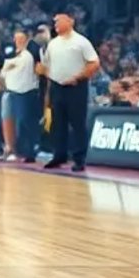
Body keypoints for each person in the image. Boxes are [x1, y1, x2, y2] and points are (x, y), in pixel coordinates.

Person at [41, 12, 99, 171]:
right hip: (57, 86)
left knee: (77, 123)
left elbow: (94, 63)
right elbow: (46, 65)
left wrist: (78, 76)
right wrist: (49, 77)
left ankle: (79, 158)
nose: (55, 24)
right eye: (54, 22)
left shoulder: (81, 41)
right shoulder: (53, 44)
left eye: (59, 20)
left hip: (76, 87)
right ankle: (59, 155)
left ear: (70, 21)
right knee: (58, 124)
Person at [0, 30, 39, 162]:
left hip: (25, 93)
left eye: (21, 39)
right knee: (7, 120)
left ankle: (28, 151)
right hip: (10, 92)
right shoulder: (11, 54)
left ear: (27, 40)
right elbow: (2, 73)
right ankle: (10, 148)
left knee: (24, 122)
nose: (18, 41)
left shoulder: (29, 55)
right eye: (16, 38)